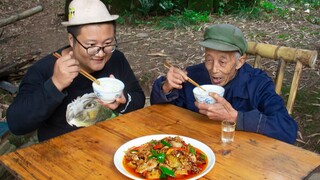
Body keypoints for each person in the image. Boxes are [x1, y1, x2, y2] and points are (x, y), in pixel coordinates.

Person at [7, 0, 145, 142]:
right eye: (91, 45)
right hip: (63, 154)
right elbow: (16, 125)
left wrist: (123, 101)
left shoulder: (116, 59)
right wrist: (55, 84)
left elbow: (138, 99)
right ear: (71, 40)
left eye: (108, 43)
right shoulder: (44, 69)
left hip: (109, 143)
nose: (101, 53)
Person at [151, 24, 297, 144]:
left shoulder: (257, 84)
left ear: (239, 62)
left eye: (222, 61)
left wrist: (237, 118)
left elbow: (288, 129)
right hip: (197, 148)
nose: (214, 69)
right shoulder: (193, 76)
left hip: (242, 157)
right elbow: (161, 113)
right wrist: (166, 88)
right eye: (209, 59)